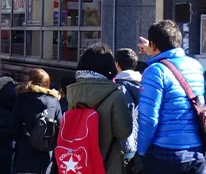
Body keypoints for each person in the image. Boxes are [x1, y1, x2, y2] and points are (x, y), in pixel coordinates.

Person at [137, 20, 206, 174]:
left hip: (165, 154)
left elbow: (148, 118)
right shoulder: (196, 66)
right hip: (197, 153)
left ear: (153, 45)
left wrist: (141, 151)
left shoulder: (155, 71)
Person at [67, 43, 132, 174]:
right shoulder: (115, 95)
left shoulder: (72, 92)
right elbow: (123, 132)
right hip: (106, 164)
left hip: (77, 163)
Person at [11, 69, 62, 174]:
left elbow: (14, 127)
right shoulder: (54, 102)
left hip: (24, 157)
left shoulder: (22, 99)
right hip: (46, 159)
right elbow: (60, 127)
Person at [114, 48, 142, 169]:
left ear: (117, 65)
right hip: (142, 146)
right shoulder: (146, 85)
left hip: (124, 147)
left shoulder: (120, 88)